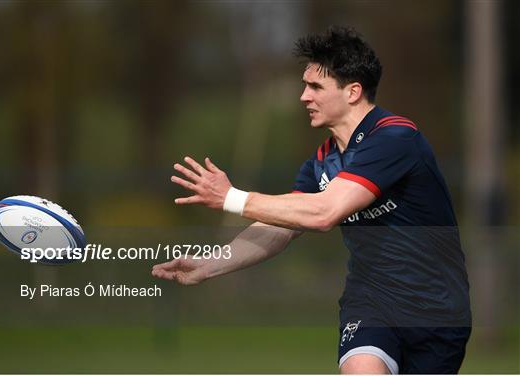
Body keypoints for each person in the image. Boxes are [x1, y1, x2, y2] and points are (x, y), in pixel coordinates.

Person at [152, 26, 471, 374]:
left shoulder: (395, 138)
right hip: (371, 302)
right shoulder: (321, 162)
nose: (304, 96)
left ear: (353, 92)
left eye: (316, 87)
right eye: (305, 85)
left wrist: (231, 197)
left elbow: (325, 213)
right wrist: (211, 263)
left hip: (437, 310)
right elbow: (280, 228)